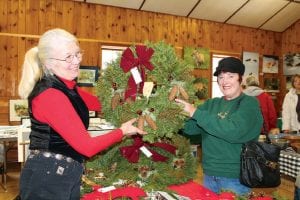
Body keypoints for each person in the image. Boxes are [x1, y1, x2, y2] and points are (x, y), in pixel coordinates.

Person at [18, 28, 146, 200]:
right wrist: (122, 131)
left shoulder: (68, 88)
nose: (76, 61)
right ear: (48, 63)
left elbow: (103, 104)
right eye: (67, 57)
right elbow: (87, 147)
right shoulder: (50, 95)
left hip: (63, 173)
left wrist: (138, 97)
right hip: (48, 178)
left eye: (77, 54)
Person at [175, 57, 263, 196]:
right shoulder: (211, 104)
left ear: (241, 78)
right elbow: (191, 129)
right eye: (221, 77)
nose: (225, 81)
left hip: (235, 179)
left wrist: (195, 112)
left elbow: (234, 131)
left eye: (230, 76)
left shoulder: (249, 104)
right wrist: (176, 114)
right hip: (209, 175)